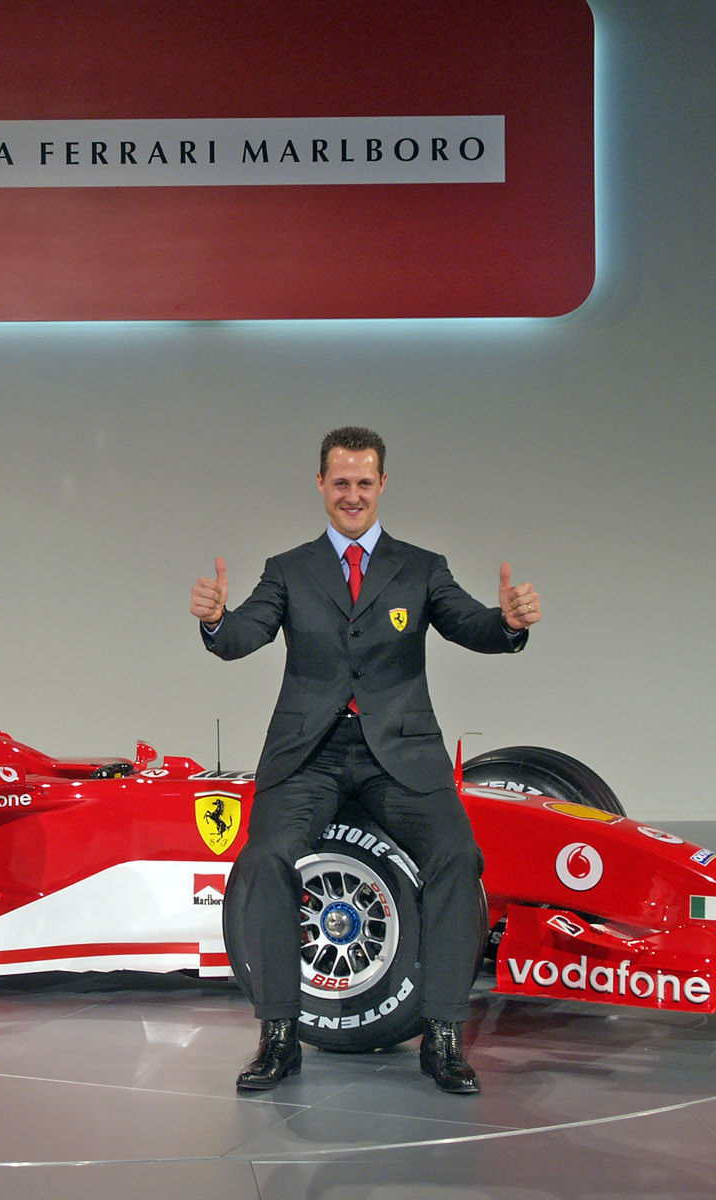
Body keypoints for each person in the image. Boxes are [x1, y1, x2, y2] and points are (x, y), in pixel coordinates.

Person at [190, 426, 540, 1095]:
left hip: (401, 755)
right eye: (341, 482)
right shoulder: (288, 568)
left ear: (383, 486)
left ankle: (442, 1036)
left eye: (364, 482)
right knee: (264, 859)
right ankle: (279, 1035)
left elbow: (471, 625)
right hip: (309, 755)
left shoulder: (423, 566)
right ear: (321, 485)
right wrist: (214, 620)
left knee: (457, 857)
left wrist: (510, 623)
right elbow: (242, 636)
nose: (352, 494)